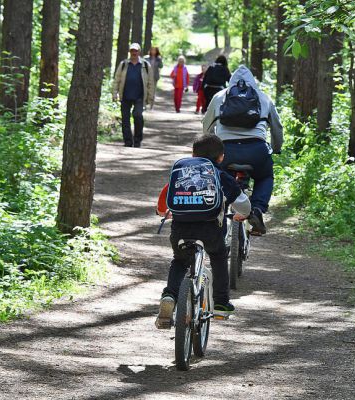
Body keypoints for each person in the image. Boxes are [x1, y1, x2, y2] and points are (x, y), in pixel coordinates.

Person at [155, 134, 252, 329]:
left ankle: (169, 296)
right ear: (221, 157)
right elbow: (242, 205)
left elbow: (162, 205)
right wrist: (244, 215)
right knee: (218, 256)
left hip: (181, 228)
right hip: (210, 230)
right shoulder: (220, 175)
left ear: (193, 154)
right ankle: (221, 303)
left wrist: (163, 211)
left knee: (180, 261)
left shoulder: (181, 173)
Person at [202, 65, 284, 236]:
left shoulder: (220, 96)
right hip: (256, 151)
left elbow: (206, 125)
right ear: (253, 81)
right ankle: (257, 209)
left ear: (231, 80)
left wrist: (209, 148)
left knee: (219, 177)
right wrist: (276, 148)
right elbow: (277, 128)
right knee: (265, 176)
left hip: (225, 150)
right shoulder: (264, 98)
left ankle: (218, 208)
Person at [112, 43, 155, 148]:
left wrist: (150, 97)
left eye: (136, 51)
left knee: (138, 116)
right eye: (132, 51)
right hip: (125, 96)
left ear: (139, 52)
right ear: (129, 52)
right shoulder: (124, 64)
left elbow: (150, 82)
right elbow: (117, 80)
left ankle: (137, 141)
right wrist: (114, 93)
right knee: (125, 119)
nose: (134, 53)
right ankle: (127, 142)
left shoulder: (145, 65)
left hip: (139, 96)